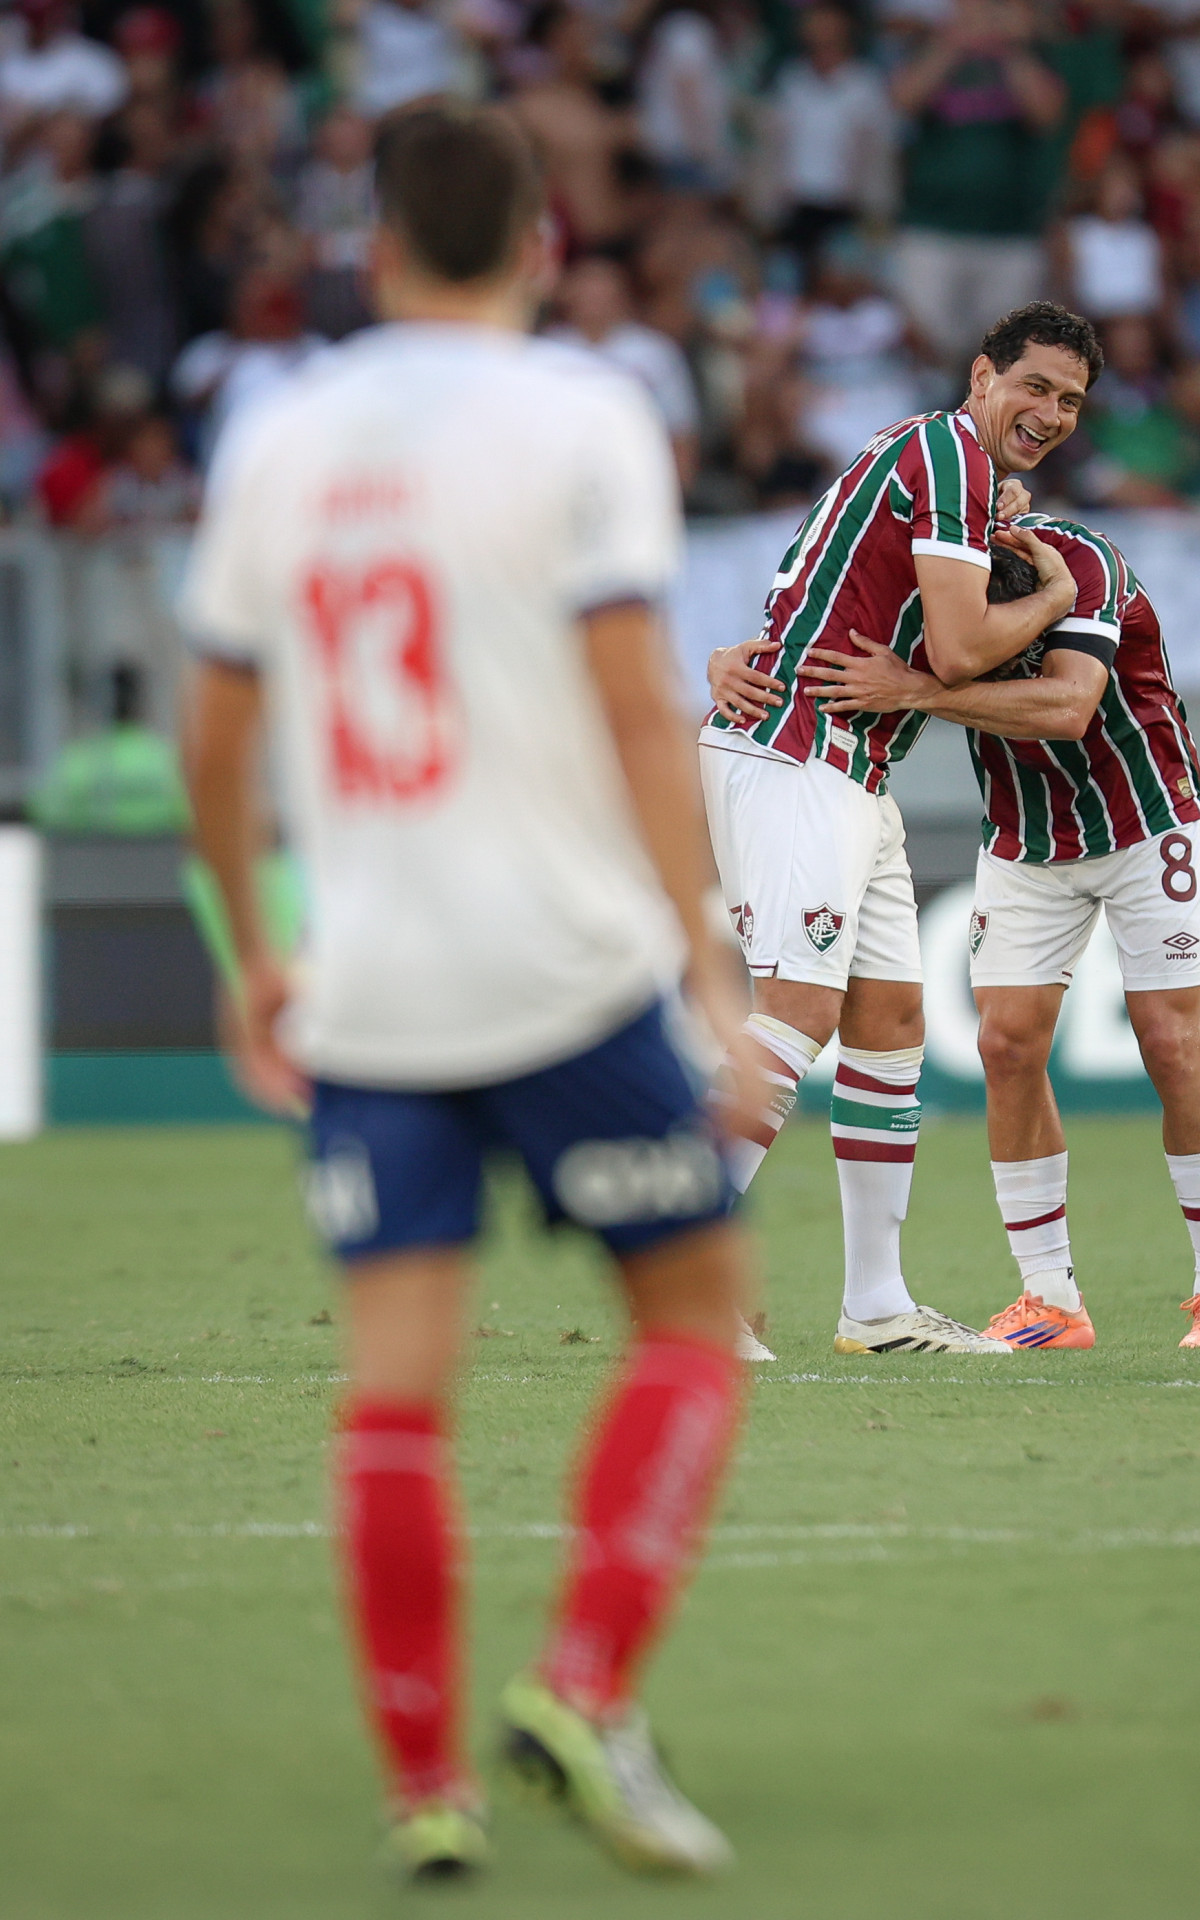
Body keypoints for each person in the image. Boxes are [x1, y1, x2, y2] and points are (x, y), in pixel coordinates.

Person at [181, 101, 762, 1883]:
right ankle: (581, 1687)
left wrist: (254, 952)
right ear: (542, 245)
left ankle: (426, 1787)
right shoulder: (589, 412)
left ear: (373, 251)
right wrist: (706, 957)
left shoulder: (277, 434)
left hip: (372, 981)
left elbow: (214, 730)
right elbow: (637, 702)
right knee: (695, 1316)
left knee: (393, 1396)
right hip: (565, 966)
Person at [700, 300, 1101, 1356]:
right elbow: (961, 651)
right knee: (797, 1011)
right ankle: (678, 1263)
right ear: (982, 375)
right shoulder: (949, 455)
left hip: (852, 769)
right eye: (1035, 385)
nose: (1051, 412)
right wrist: (1054, 593)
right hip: (799, 754)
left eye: (1070, 400)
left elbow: (820, 587)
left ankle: (876, 1306)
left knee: (888, 1026)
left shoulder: (931, 460)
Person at [791, 523, 1200, 1352]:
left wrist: (916, 690)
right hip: (1024, 842)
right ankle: (1050, 1298)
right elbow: (816, 640)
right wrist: (728, 662)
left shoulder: (1083, 564)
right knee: (1005, 1045)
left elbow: (1068, 706)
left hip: (1150, 824)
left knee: (1173, 1043)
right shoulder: (934, 584)